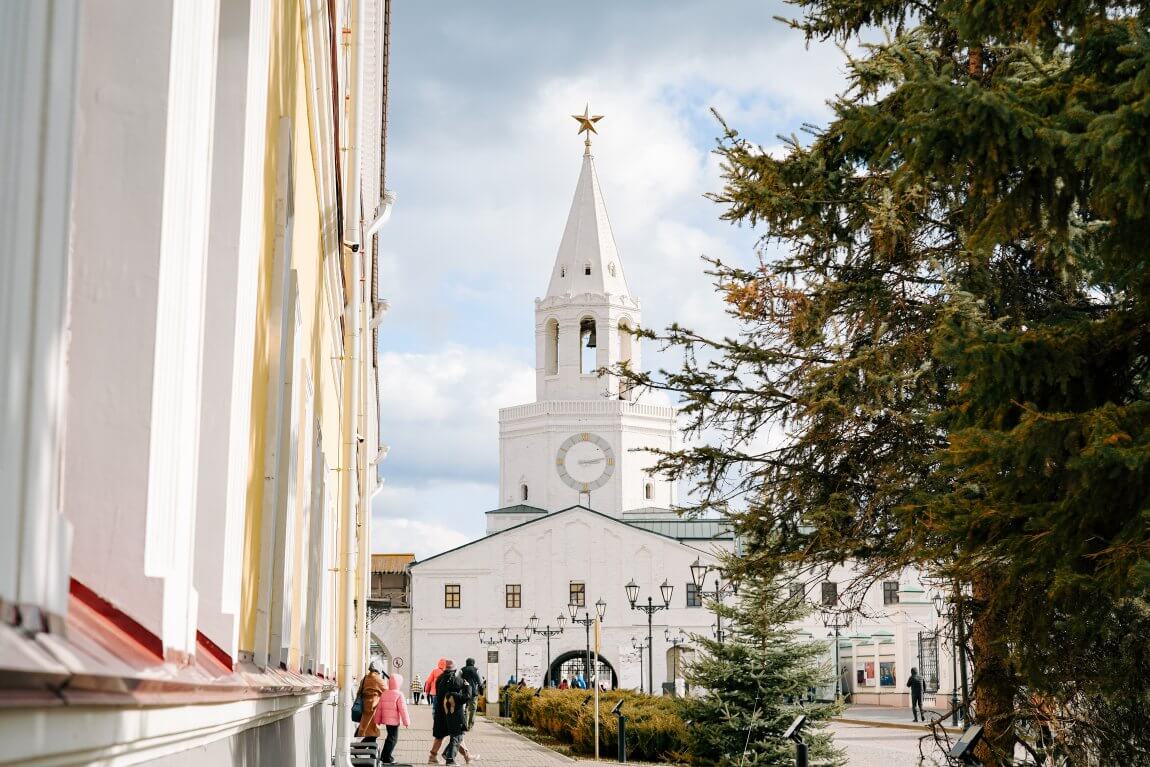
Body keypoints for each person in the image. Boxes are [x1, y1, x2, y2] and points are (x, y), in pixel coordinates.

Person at [428, 660, 477, 765]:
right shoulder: (457, 680)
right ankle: (453, 757)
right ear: (454, 670)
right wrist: (467, 686)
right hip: (453, 712)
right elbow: (466, 696)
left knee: (441, 736)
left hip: (440, 711)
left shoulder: (439, 679)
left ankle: (433, 757)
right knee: (457, 735)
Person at [375, 672, 411, 764]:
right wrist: (406, 722)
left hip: (387, 721)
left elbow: (379, 708)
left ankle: (385, 756)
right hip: (394, 722)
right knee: (393, 739)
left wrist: (377, 720)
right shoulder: (399, 694)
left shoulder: (384, 693)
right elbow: (403, 709)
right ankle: (386, 757)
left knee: (390, 738)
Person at [355, 662, 388, 742]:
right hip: (374, 706)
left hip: (365, 705)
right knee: (373, 731)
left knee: (370, 731)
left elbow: (359, 692)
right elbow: (387, 691)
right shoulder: (378, 679)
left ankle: (371, 753)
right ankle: (360, 749)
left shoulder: (365, 678)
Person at [461, 657, 484, 731]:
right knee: (473, 709)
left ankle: (465, 724)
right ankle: (470, 725)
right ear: (473, 663)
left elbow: (458, 680)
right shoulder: (476, 670)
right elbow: (480, 682)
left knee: (465, 708)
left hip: (464, 692)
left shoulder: (462, 670)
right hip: (473, 693)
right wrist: (481, 692)